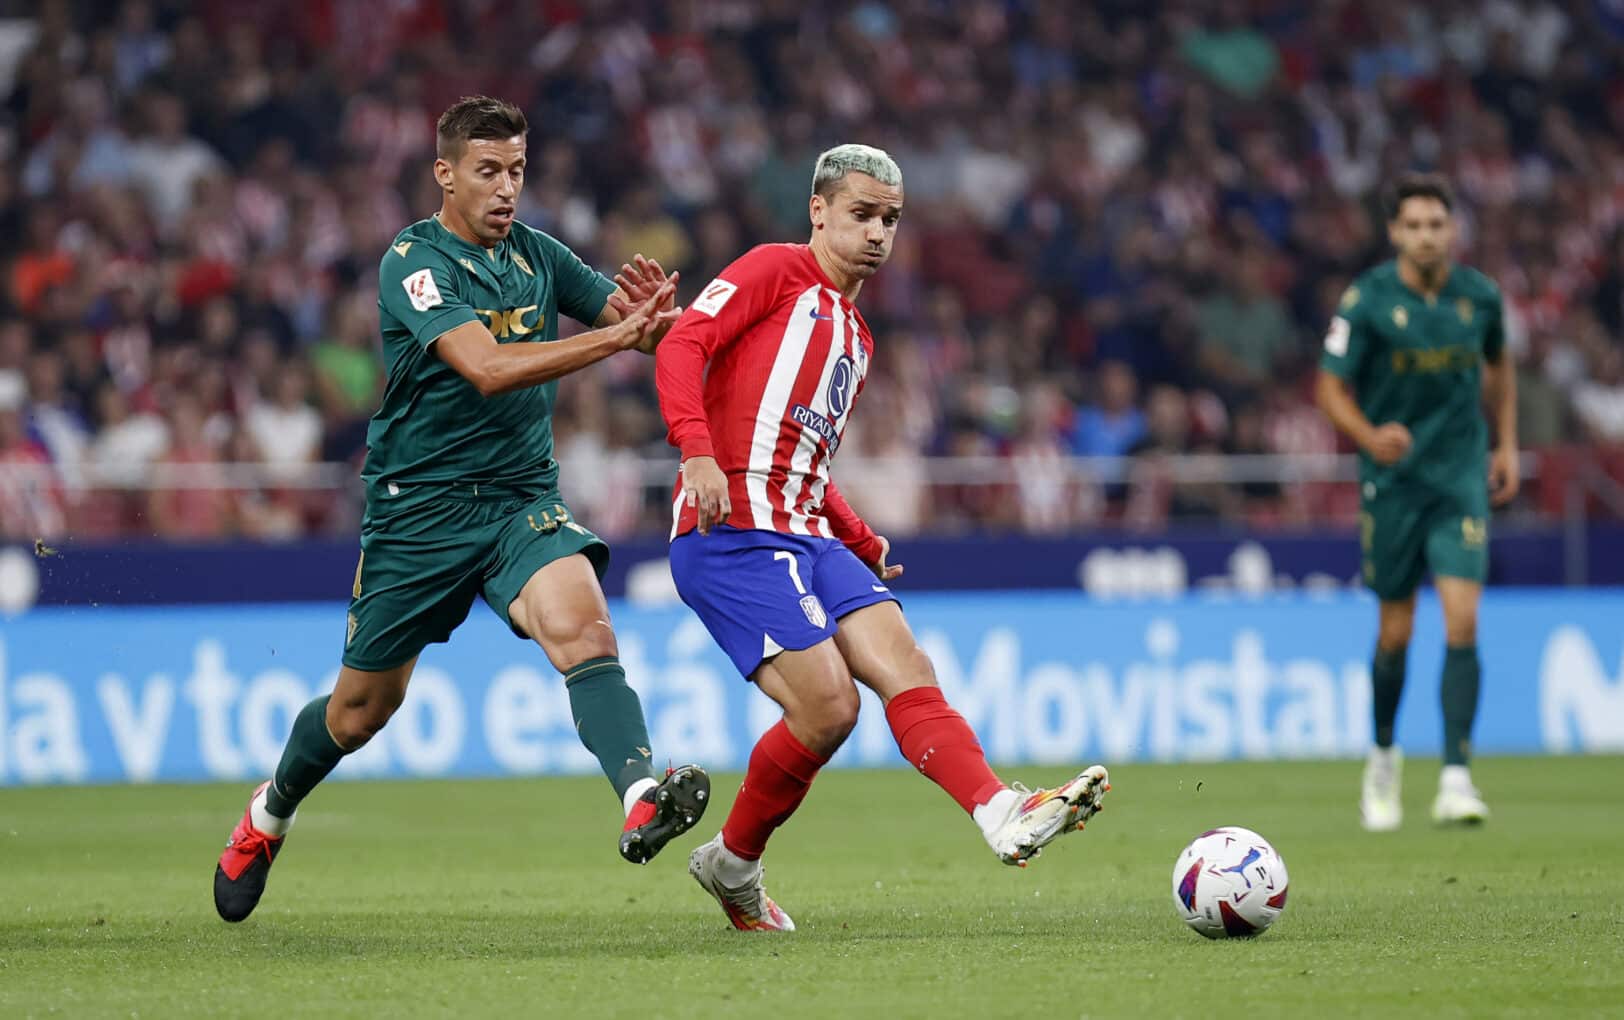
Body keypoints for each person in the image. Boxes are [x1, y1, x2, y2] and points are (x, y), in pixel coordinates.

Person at [213, 96, 710, 923]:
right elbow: (486, 367)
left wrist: (666, 322)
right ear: (445, 174)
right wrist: (616, 341)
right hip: (419, 513)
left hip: (519, 499)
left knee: (585, 630)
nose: (507, 187)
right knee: (360, 712)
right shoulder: (414, 261)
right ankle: (270, 813)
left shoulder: (539, 255)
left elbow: (642, 330)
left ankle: (640, 797)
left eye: (517, 169)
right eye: (488, 171)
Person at [654, 144, 1110, 932]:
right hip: (733, 534)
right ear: (818, 211)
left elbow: (807, 459)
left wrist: (858, 535)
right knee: (830, 708)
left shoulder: (858, 339)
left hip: (808, 535)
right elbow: (680, 344)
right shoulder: (773, 270)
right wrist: (695, 450)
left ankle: (1000, 811)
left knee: (907, 664)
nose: (876, 232)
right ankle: (733, 863)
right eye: (861, 213)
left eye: (890, 219)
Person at [1315, 173, 1518, 831]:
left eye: (1437, 224)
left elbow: (1500, 366)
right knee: (1395, 633)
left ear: (1452, 230)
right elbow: (1329, 388)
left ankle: (1456, 777)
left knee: (1462, 622)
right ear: (1394, 232)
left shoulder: (1480, 297)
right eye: (1414, 226)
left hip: (1458, 477)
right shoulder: (1367, 301)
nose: (1427, 236)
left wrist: (1506, 444)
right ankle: (1382, 757)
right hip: (1393, 484)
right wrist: (1369, 436)